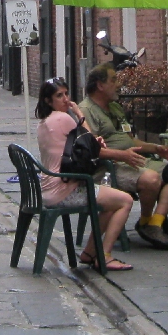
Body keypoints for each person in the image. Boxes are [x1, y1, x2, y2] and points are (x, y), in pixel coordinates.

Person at [35, 77, 133, 272]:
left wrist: (91, 141)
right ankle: (104, 256)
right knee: (125, 201)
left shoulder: (43, 123)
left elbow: (83, 144)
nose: (65, 99)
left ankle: (89, 252)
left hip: (48, 189)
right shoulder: (63, 118)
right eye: (59, 95)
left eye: (66, 94)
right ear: (48, 101)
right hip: (65, 190)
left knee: (109, 203)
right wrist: (79, 113)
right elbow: (92, 144)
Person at [77, 64, 168, 249]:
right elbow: (90, 150)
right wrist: (122, 155)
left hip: (133, 160)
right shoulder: (86, 111)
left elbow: (130, 140)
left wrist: (154, 147)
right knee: (152, 179)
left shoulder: (115, 108)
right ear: (100, 85)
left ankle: (153, 223)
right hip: (107, 167)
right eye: (114, 80)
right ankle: (146, 221)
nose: (119, 84)